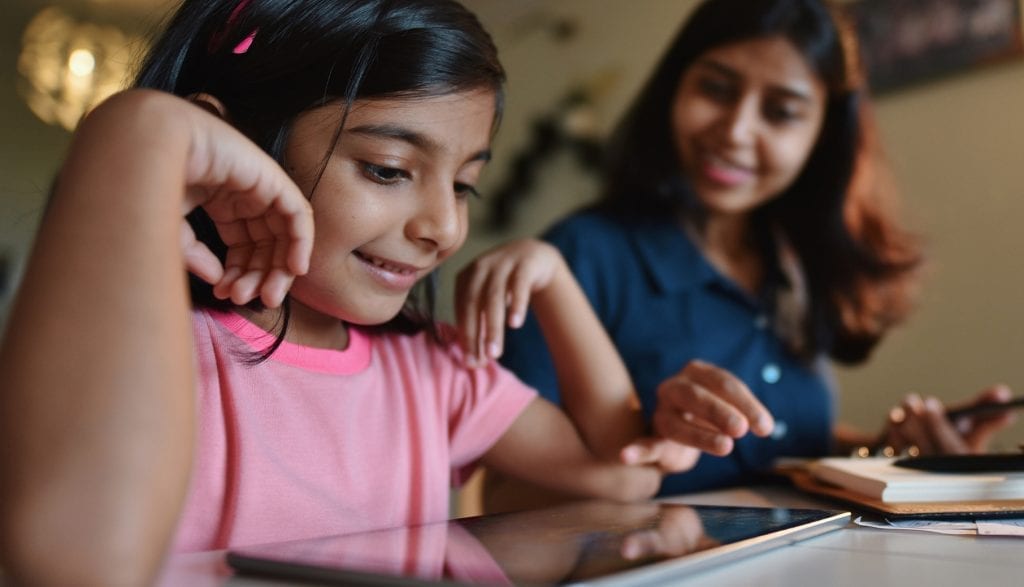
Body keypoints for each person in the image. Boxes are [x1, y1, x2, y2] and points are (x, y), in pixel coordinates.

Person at [0, 1, 692, 584]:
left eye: (463, 184)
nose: (444, 228)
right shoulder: (153, 348)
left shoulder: (432, 367)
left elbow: (621, 477)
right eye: (389, 169)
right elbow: (78, 561)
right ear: (221, 144)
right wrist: (140, 134)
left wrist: (554, 278)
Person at [491, 0, 1016, 510]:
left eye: (782, 112)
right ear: (675, 86)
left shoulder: (795, 261)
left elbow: (773, 450)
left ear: (823, 136)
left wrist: (890, 453)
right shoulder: (581, 257)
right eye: (716, 89)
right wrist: (648, 452)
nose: (736, 131)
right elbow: (502, 498)